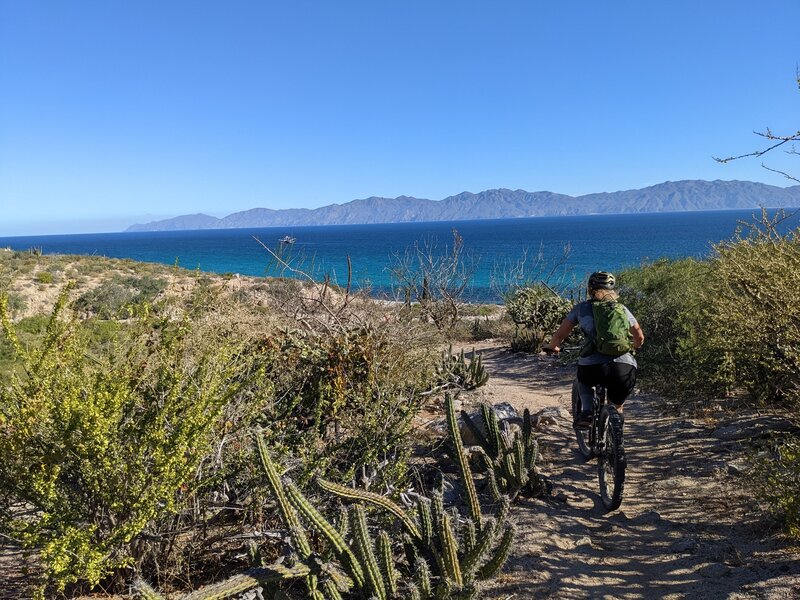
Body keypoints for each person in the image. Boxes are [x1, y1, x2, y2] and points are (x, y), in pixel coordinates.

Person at [543, 271, 645, 428]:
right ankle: (617, 442)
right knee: (617, 406)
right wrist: (634, 347)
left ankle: (587, 412)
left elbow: (560, 334)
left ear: (590, 289)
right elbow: (639, 336)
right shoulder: (622, 309)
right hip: (624, 368)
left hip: (593, 366)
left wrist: (553, 346)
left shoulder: (581, 308)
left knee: (583, 380)